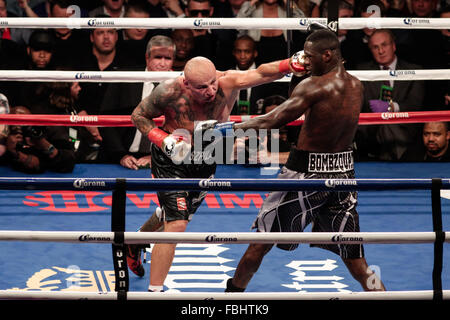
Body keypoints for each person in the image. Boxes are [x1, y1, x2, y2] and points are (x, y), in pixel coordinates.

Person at [201, 28, 385, 292]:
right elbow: (313, 108)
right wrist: (300, 76)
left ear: (328, 54)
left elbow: (272, 119)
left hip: (305, 175)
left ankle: (231, 295)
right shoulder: (356, 85)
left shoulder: (315, 86)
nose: (306, 61)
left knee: (260, 243)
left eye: (310, 57)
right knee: (355, 259)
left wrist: (224, 130)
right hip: (344, 173)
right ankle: (383, 296)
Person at [128, 52, 306, 291]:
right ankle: (154, 292)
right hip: (171, 158)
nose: (211, 91)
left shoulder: (227, 82)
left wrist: (289, 64)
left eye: (212, 82)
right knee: (177, 224)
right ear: (186, 83)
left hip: (207, 157)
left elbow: (262, 72)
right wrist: (162, 139)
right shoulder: (168, 91)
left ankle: (136, 240)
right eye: (202, 87)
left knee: (175, 214)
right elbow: (138, 115)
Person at [99, 35, 176, 170]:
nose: (162, 63)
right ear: (147, 58)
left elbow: (182, 128)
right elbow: (106, 120)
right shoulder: (126, 79)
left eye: (167, 58)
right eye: (158, 57)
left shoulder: (180, 86)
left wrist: (157, 156)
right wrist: (121, 156)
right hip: (118, 157)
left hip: (162, 160)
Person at [354, 29, 425, 161]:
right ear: (370, 50)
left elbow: (415, 104)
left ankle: (389, 165)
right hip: (372, 129)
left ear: (393, 46)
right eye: (375, 47)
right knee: (384, 122)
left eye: (384, 45)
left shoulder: (414, 70)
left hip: (404, 127)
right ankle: (401, 164)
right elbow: (358, 105)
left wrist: (391, 107)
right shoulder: (362, 71)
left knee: (388, 122)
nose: (381, 51)